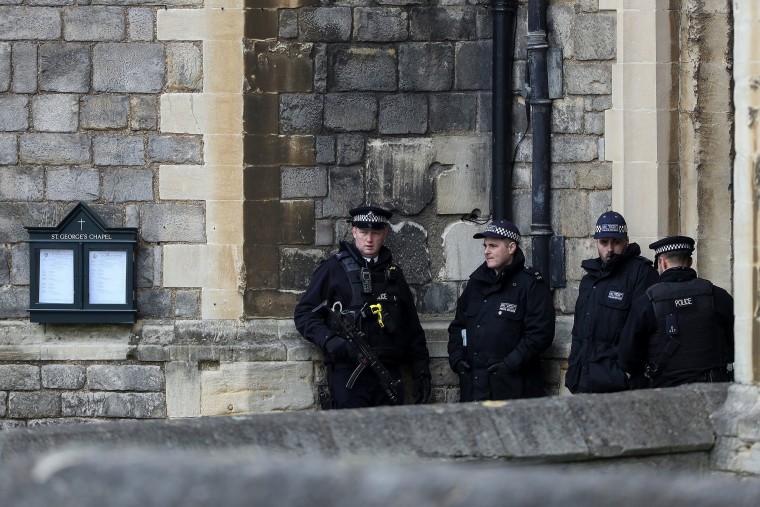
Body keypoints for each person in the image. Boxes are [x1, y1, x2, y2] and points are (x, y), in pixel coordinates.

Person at [294, 205, 431, 409]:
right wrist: (329, 340)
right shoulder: (333, 269)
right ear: (354, 232)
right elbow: (304, 313)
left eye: (375, 233)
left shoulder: (394, 275)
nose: (369, 239)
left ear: (384, 233)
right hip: (348, 375)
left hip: (388, 374)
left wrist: (421, 372)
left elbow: (412, 329)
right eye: (364, 232)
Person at [448, 219, 555, 401]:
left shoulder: (530, 285)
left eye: (493, 246)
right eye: (485, 246)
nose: (486, 251)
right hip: (474, 388)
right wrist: (457, 359)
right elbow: (458, 326)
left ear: (511, 248)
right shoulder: (476, 283)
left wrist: (509, 365)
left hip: (513, 389)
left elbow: (540, 334)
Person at [618, 236, 734, 388]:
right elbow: (740, 343)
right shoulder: (718, 296)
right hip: (715, 392)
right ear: (690, 262)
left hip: (667, 396)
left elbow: (628, 358)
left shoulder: (646, 302)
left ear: (662, 263)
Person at [565, 211, 659, 393]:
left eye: (616, 242)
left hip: (619, 383)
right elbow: (579, 330)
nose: (609, 249)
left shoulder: (641, 273)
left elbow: (645, 329)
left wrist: (626, 372)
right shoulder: (589, 280)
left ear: (626, 241)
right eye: (604, 243)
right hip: (584, 379)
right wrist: (573, 366)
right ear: (596, 243)